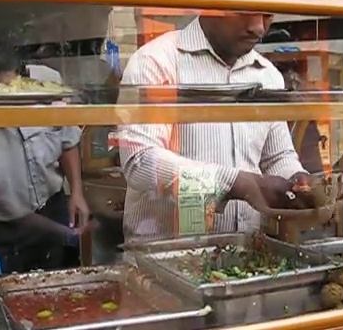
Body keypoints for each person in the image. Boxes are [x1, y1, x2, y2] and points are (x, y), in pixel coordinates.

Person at [118, 13, 317, 242]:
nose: (258, 28)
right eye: (243, 13)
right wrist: (235, 183)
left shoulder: (268, 75)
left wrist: (296, 178)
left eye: (267, 16)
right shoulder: (156, 61)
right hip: (165, 258)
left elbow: (277, 156)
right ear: (209, 4)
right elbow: (139, 161)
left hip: (246, 253)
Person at [0, 43, 90, 272]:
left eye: (11, 87)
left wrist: (77, 192)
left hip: (53, 207)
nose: (5, 97)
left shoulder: (45, 89)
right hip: (6, 226)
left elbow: (67, 139)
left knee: (63, 283)